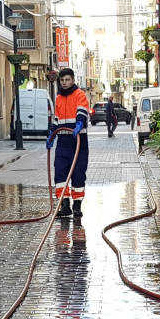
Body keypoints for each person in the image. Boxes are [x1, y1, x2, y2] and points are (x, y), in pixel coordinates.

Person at [46, 68, 90, 219]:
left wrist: (79, 123)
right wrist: (51, 134)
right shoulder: (58, 97)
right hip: (63, 141)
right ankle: (65, 205)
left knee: (78, 173)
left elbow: (82, 112)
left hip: (78, 141)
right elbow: (56, 119)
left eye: (67, 80)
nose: (64, 83)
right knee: (60, 173)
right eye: (62, 80)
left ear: (72, 80)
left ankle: (77, 206)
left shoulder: (80, 95)